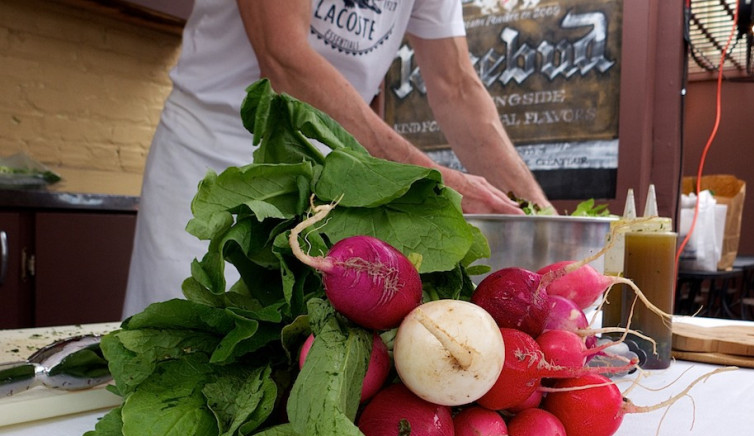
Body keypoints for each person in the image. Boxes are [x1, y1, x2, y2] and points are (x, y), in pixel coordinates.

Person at [123, 0, 553, 318]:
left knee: (287, 368)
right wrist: (425, 177)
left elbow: (456, 84)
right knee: (183, 345)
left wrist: (544, 218)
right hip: (212, 164)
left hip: (331, 176)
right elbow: (283, 56)